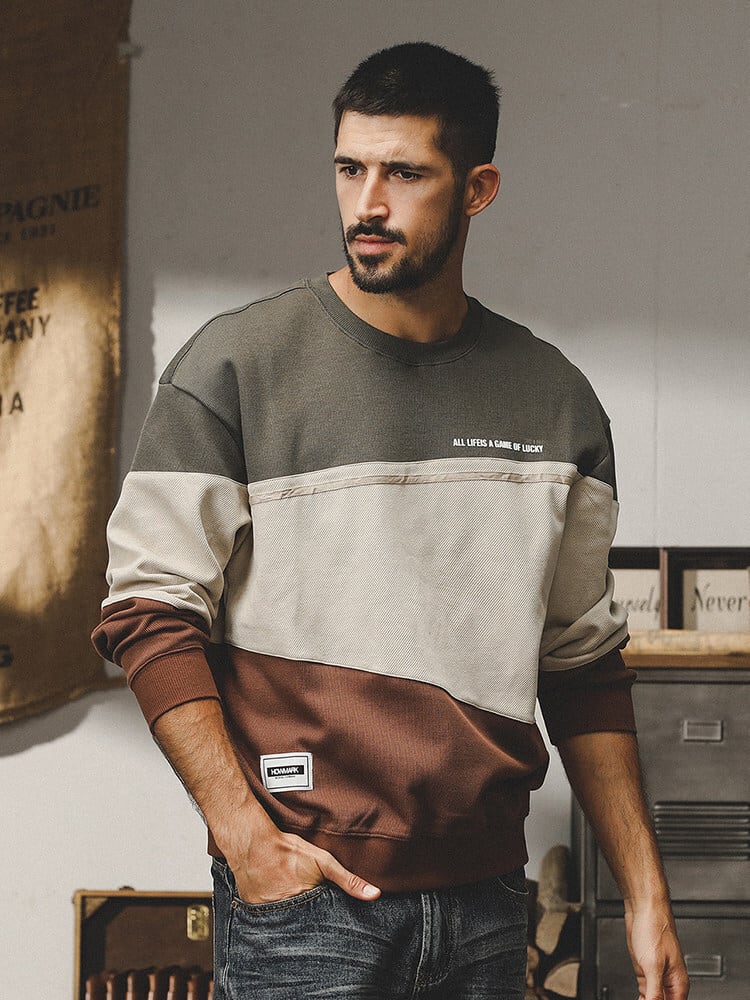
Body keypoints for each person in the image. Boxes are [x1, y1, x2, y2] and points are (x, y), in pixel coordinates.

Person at [93, 42, 689, 1000]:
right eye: (349, 169)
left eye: (404, 174)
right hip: (307, 907)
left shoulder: (556, 402)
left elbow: (581, 664)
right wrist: (248, 842)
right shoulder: (235, 368)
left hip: (489, 907)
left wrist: (647, 895)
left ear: (478, 188)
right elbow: (148, 612)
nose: (366, 204)